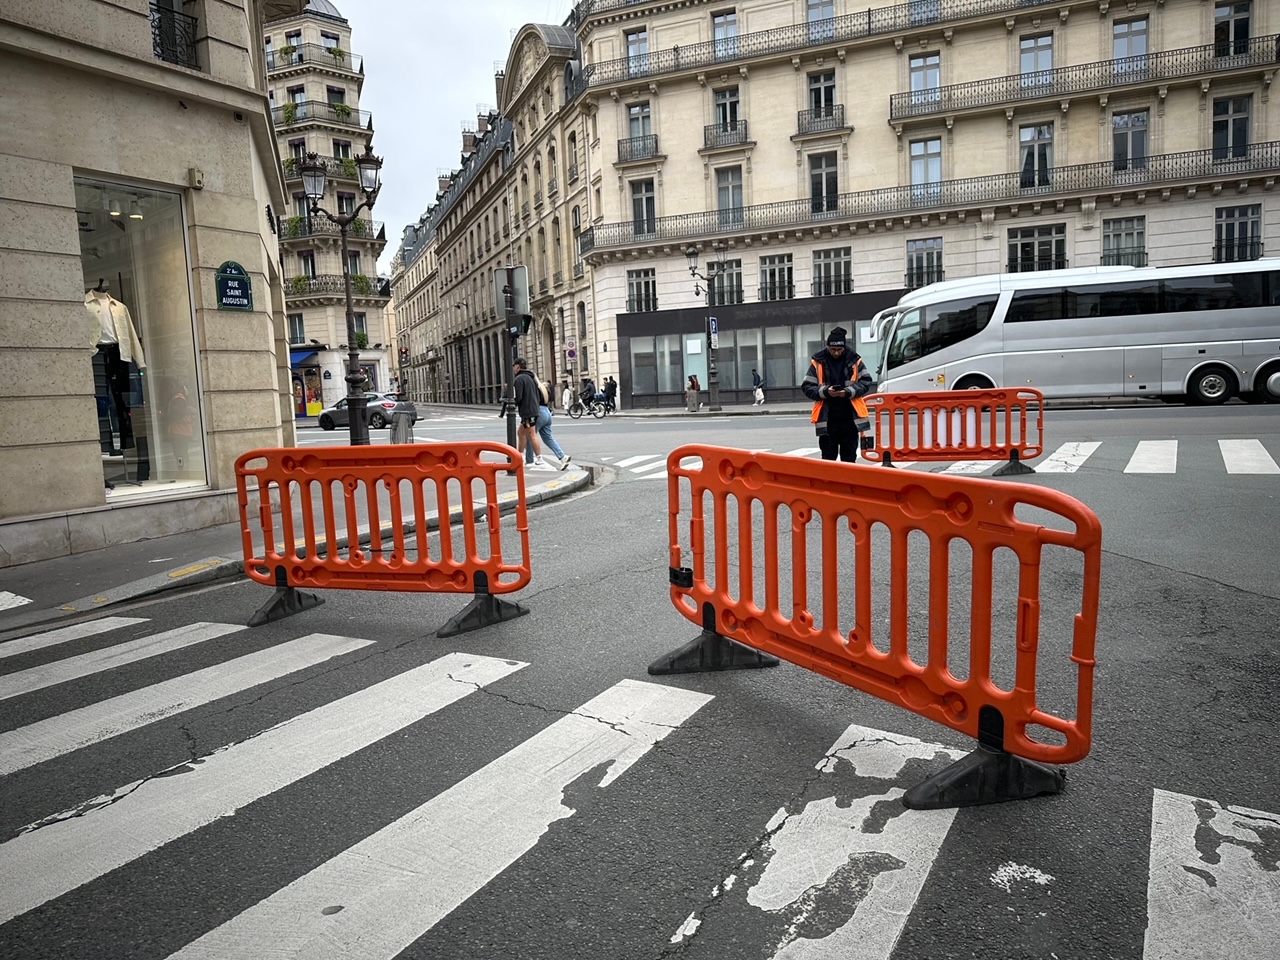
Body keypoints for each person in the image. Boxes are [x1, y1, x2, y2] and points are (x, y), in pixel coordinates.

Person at [801, 326, 874, 462]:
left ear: (844, 348)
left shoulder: (855, 360)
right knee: (828, 457)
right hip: (828, 419)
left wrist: (847, 392)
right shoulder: (818, 362)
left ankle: (847, 483)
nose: (836, 353)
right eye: (832, 349)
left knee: (849, 457)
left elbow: (866, 381)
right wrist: (826, 392)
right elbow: (807, 387)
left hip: (850, 418)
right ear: (827, 347)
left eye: (839, 350)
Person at [513, 357, 555, 471]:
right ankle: (520, 456)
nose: (513, 369)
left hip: (527, 412)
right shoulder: (531, 378)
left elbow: (519, 397)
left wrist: (513, 402)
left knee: (531, 434)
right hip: (534, 409)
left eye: (514, 366)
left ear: (518, 366)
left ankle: (539, 459)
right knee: (521, 432)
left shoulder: (519, 379)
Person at [525, 378, 572, 470]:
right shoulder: (546, 391)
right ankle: (562, 457)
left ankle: (530, 460)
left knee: (530, 436)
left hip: (539, 412)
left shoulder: (537, 390)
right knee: (548, 438)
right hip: (547, 412)